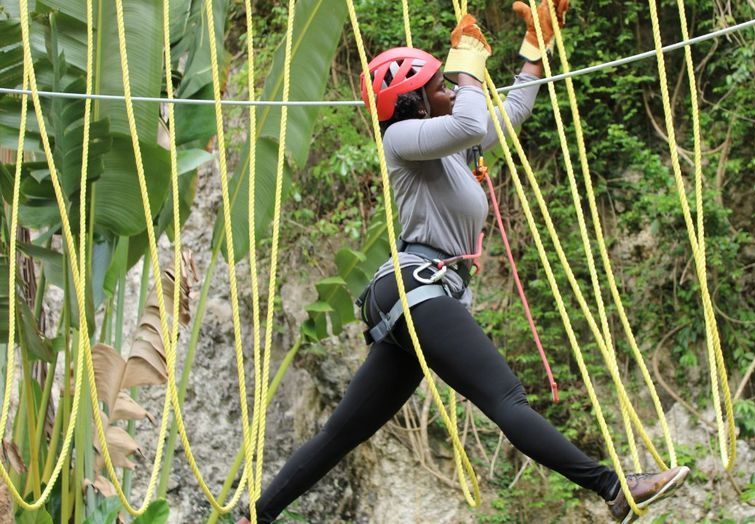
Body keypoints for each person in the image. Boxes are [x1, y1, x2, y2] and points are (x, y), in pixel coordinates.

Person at [240, 3, 688, 523]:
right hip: (416, 285)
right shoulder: (401, 140)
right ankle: (615, 488)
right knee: (506, 399)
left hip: (420, 294)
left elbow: (507, 115)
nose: (450, 91)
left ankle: (254, 517)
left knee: (343, 432)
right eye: (438, 88)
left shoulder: (450, 148)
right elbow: (473, 115)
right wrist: (466, 65)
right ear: (413, 104)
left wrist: (532, 50)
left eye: (447, 84)